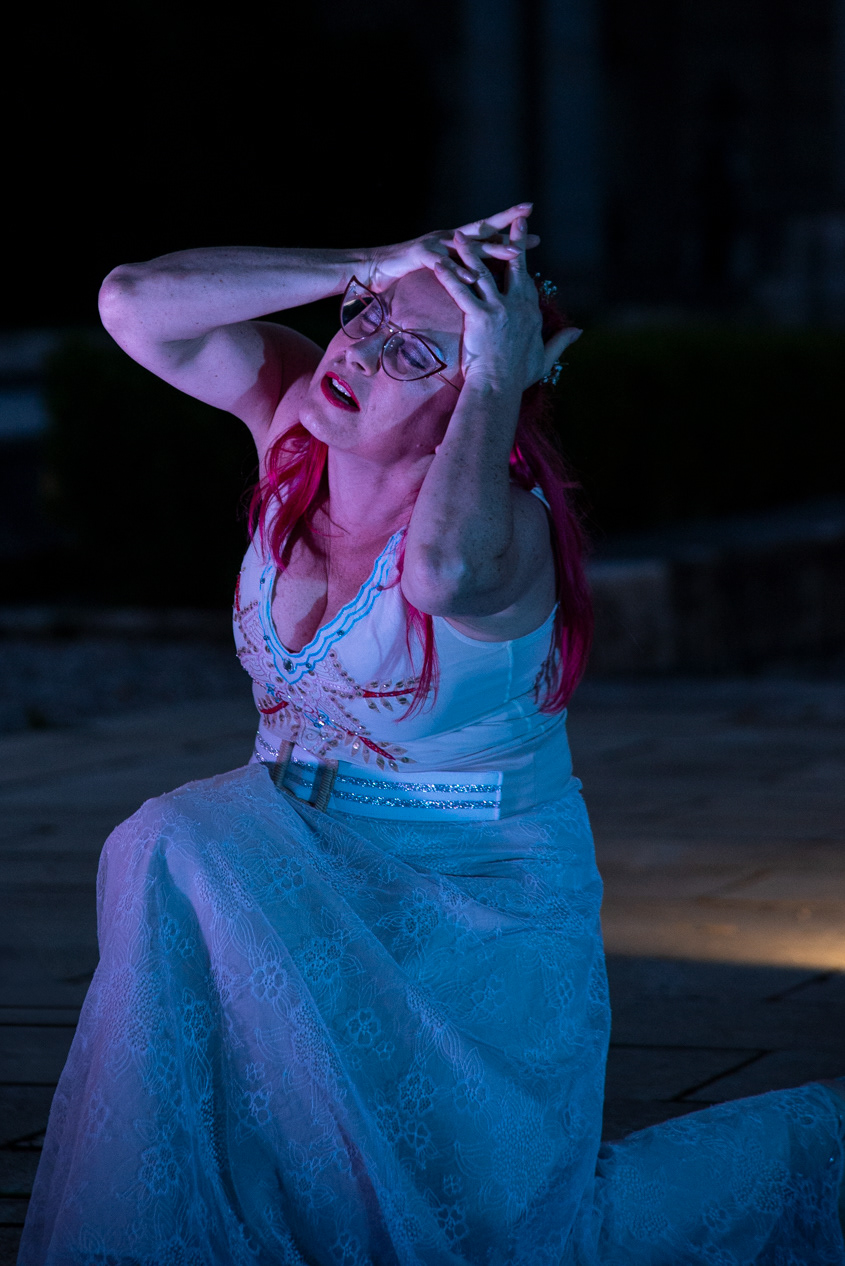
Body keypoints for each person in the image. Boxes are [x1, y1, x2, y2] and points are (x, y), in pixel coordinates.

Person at [18, 205, 845, 1265]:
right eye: (368, 319)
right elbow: (131, 303)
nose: (361, 352)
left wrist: (497, 376)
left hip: (464, 905)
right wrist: (374, 263)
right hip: (290, 868)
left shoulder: (501, 528)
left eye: (416, 353)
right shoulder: (295, 425)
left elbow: (440, 574)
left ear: (478, 398)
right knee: (178, 842)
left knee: (510, 1242)